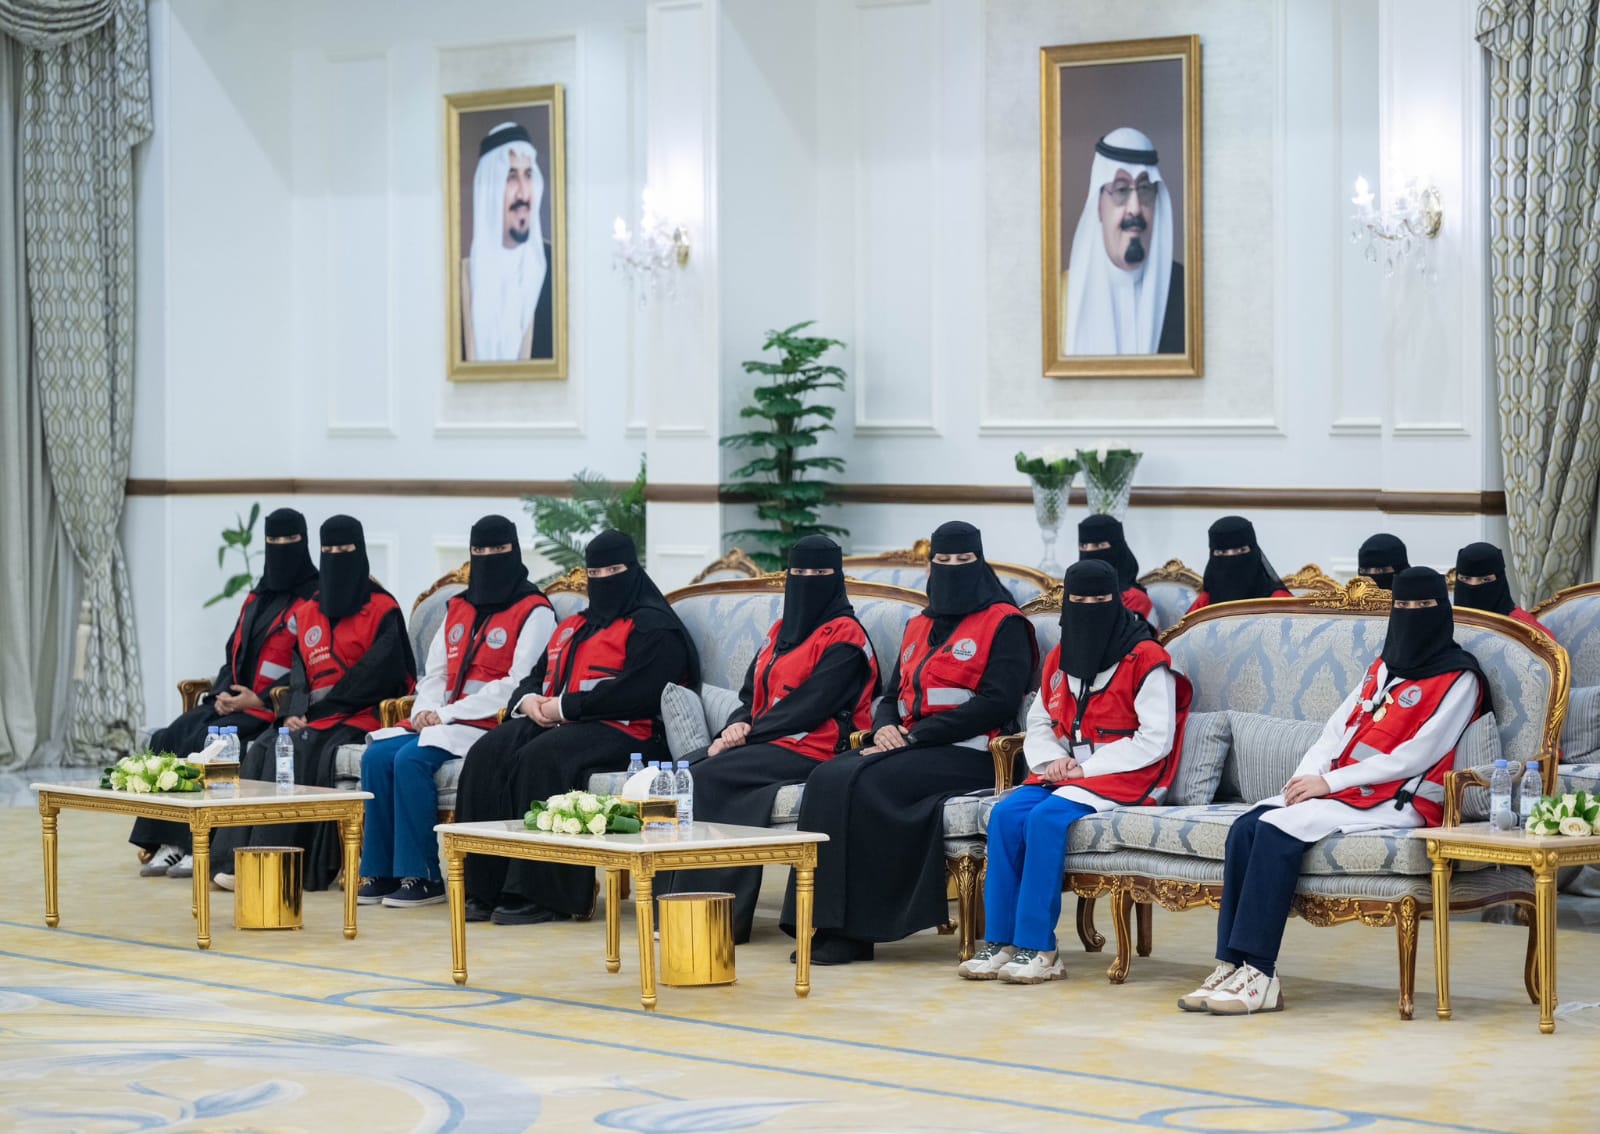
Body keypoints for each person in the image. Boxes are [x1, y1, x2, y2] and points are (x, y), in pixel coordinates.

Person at [1178, 567, 1486, 1016]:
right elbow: (1334, 731)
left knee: (1276, 833)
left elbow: (1417, 755)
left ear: (1443, 610)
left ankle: (1260, 974)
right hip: (1343, 791)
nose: (1413, 614)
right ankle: (1231, 964)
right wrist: (1305, 780)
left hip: (1397, 799)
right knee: (1245, 828)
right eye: (1403, 605)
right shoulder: (1382, 668)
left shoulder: (1460, 678)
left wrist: (1330, 783)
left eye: (1423, 606)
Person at [780, 521, 1037, 965]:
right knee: (827, 776)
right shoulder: (919, 624)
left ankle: (862, 931)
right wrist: (885, 728)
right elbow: (891, 696)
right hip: (914, 746)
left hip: (973, 753)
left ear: (980, 563)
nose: (953, 568)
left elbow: (996, 703)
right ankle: (818, 921)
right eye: (943, 560)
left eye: (963, 560)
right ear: (930, 566)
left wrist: (915, 736)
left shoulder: (1005, 624)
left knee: (868, 783)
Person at [959, 561, 1191, 983]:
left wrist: (1087, 768)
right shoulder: (1061, 656)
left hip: (1125, 772)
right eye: (1079, 600)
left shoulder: (1147, 659)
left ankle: (1040, 948)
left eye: (1099, 600)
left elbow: (1156, 738)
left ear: (1116, 601)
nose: (1088, 608)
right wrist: (1054, 761)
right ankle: (1000, 940)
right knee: (1006, 815)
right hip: (1066, 771)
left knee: (1044, 819)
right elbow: (1040, 721)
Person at [453, 531, 700, 925]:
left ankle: (542, 894)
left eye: (613, 570)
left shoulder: (653, 626)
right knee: (488, 751)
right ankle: (484, 887)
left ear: (632, 570)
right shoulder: (574, 625)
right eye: (594, 573)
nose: (603, 580)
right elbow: (534, 676)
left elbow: (640, 691)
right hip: (559, 720)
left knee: (541, 758)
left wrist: (565, 707)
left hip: (629, 731)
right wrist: (528, 701)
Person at [656, 536, 879, 943]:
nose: (808, 580)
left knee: (708, 777)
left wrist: (746, 735)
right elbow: (749, 699)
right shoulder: (778, 632)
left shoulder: (847, 638)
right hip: (768, 743)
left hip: (818, 748)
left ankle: (715, 916)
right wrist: (735, 727)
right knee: (685, 771)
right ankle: (672, 910)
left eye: (820, 573)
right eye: (800, 572)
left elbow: (811, 706)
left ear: (836, 578)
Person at [357, 516, 556, 909]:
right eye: (479, 550)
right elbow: (435, 672)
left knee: (411, 759)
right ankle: (380, 871)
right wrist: (425, 710)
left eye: (497, 550)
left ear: (514, 551)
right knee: (377, 756)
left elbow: (518, 682)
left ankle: (423, 875)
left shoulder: (535, 611)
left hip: (489, 723)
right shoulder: (458, 607)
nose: (487, 557)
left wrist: (448, 714)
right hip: (443, 719)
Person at [211, 516, 416, 892]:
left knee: (296, 748)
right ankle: (233, 861)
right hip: (314, 718)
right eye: (328, 550)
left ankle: (272, 865)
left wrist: (317, 713)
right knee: (264, 747)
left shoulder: (382, 609)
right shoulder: (308, 611)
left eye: (344, 549)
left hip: (360, 715)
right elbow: (298, 672)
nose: (336, 556)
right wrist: (294, 711)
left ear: (360, 551)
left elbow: (379, 675)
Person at [130, 508, 319, 878]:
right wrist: (222, 694)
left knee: (206, 742)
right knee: (170, 735)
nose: (281, 547)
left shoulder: (314, 598)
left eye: (289, 540)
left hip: (267, 708)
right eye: (273, 540)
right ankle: (166, 841)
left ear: (304, 542)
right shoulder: (258, 596)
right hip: (233, 702)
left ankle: (192, 843)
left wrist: (259, 699)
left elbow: (304, 667)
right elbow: (234, 650)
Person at [1061, 127, 1184, 356]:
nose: (1135, 208)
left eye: (1145, 189)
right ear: (1099, 207)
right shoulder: (1062, 299)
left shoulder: (1185, 293)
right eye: (1121, 190)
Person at [461, 122, 553, 362]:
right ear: (489, 192)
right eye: (511, 177)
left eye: (528, 176)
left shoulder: (554, 270)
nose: (523, 193)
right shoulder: (465, 278)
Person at [1187, 516, 1292, 612]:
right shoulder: (1205, 601)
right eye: (1222, 552)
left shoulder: (1277, 599)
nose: (1231, 559)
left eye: (1241, 550)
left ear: (1254, 552)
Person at [1453, 542, 1548, 634]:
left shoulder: (1524, 627)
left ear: (1500, 581)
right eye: (1465, 578)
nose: (1473, 585)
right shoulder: (1447, 621)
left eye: (1485, 579)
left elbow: (1548, 645)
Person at [1077, 513, 1153, 622]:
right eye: (1083, 546)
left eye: (1099, 545)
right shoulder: (1073, 595)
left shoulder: (1134, 599)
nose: (1089, 551)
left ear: (1117, 548)